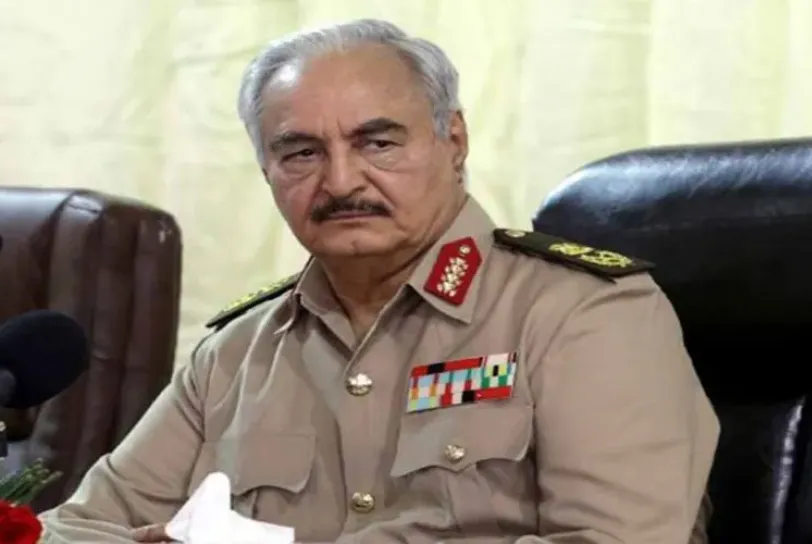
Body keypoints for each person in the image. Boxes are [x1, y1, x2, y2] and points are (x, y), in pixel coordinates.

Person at [39, 18, 719, 543]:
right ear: (267, 171)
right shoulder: (235, 355)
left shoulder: (582, 315)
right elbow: (74, 529)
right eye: (301, 153)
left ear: (454, 142)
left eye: (378, 143)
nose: (341, 182)